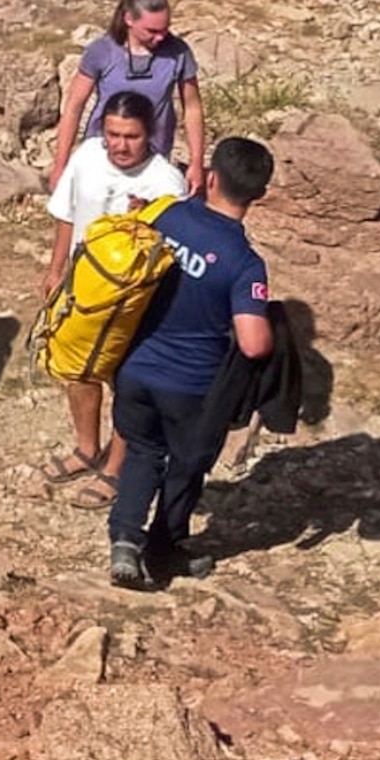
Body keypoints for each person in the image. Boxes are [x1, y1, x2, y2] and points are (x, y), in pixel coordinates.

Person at [106, 135, 276, 589]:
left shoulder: (164, 212)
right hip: (192, 386)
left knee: (141, 450)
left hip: (135, 368)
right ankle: (165, 549)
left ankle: (124, 539)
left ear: (212, 177)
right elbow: (254, 343)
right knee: (185, 464)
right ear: (258, 196)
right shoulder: (244, 264)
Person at [35, 88, 187, 503]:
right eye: (114, 135)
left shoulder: (166, 182)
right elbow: (66, 213)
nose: (120, 145)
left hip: (133, 301)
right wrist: (55, 269)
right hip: (82, 286)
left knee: (127, 382)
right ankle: (87, 447)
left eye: (131, 136)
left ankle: (116, 469)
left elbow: (173, 248)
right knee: (75, 368)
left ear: (150, 134)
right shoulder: (86, 156)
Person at [50, 0, 206, 197]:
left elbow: (192, 107)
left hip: (153, 153)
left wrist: (196, 162)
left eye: (164, 30)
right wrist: (61, 165)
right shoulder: (102, 51)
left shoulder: (177, 52)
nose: (160, 37)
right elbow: (74, 107)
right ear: (129, 20)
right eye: (152, 31)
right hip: (104, 151)